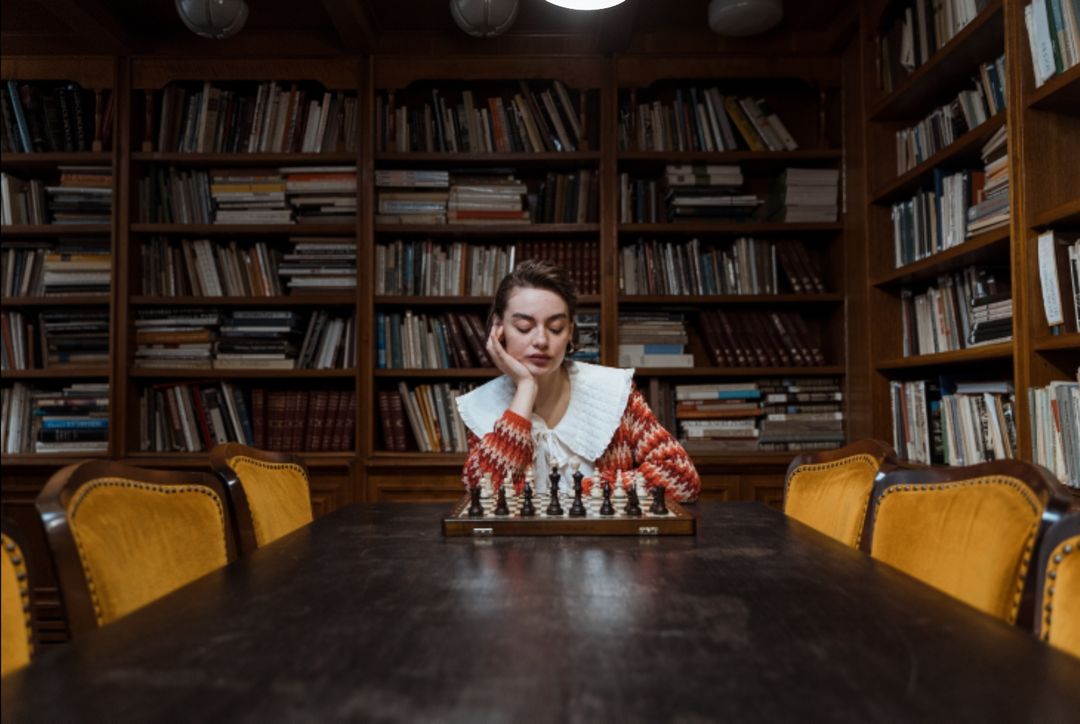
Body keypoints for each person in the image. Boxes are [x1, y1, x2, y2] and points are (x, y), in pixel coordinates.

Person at [456, 259, 700, 502]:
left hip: (606, 540)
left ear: (570, 330)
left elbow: (681, 477)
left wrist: (581, 493)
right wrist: (525, 388)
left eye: (556, 327)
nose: (541, 340)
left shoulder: (613, 392)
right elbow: (486, 496)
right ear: (498, 328)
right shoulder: (481, 405)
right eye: (523, 327)